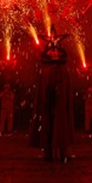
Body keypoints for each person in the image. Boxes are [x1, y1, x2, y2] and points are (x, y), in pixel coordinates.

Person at [32, 24, 74, 162]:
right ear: (47, 53)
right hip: (47, 103)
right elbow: (42, 90)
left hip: (60, 103)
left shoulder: (63, 70)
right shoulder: (45, 70)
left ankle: (63, 150)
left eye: (57, 50)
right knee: (47, 122)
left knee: (61, 121)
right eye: (51, 50)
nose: (54, 52)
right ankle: (47, 150)